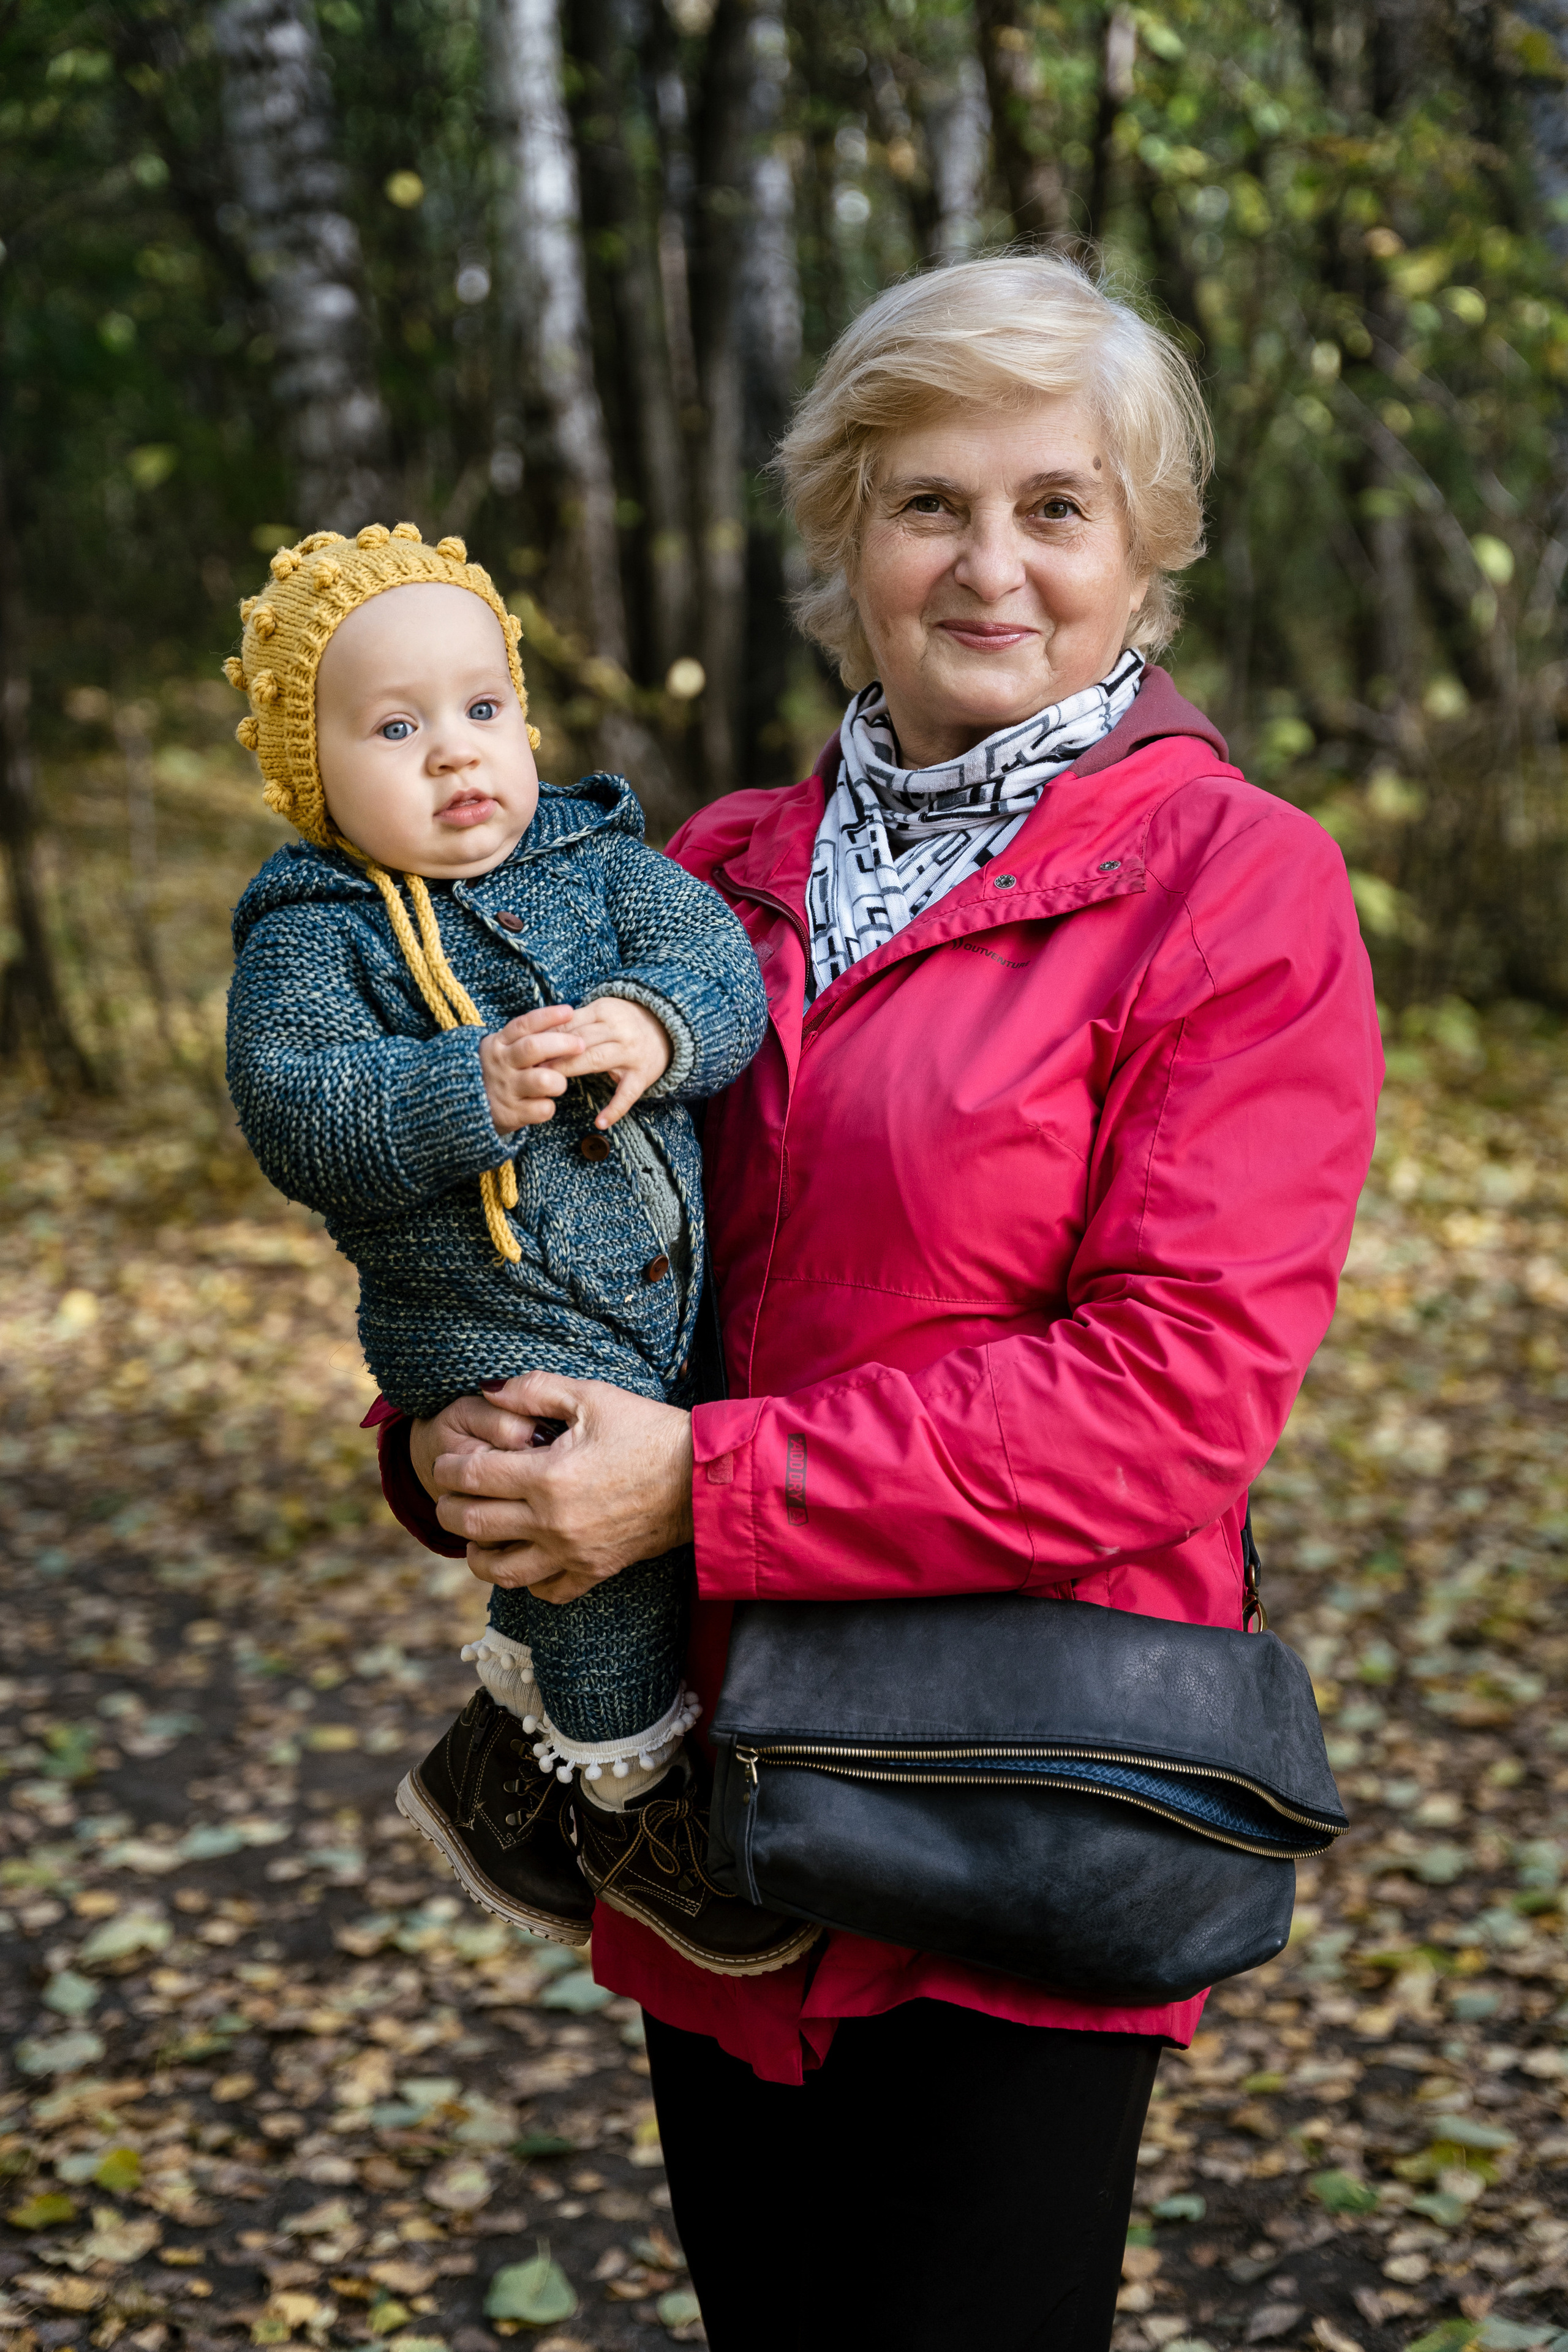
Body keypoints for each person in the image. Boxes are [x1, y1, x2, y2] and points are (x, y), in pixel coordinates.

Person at [375, 255, 1384, 2352]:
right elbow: (560, 1244)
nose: (990, 565)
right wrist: (460, 1436)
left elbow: (1171, 1397)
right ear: (844, 531)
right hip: (715, 1801)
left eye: (1056, 507)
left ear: (1146, 547)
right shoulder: (702, 874)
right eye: (930, 503)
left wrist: (699, 1490)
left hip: (1027, 1787)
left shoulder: (1236, 882)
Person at [222, 521, 815, 1976]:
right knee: (582, 1545)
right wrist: (458, 1090)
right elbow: (298, 1112)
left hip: (660, 1285)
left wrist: (652, 1026)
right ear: (311, 771)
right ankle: (630, 1805)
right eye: (395, 726)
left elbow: (718, 972)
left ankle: (507, 1764)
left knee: (638, 1531)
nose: (454, 755)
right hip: (477, 1311)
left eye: (482, 709)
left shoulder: (604, 859)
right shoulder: (314, 936)